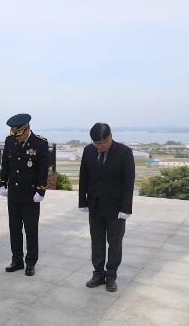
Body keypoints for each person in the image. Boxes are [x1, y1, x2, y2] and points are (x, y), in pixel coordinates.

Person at [79, 123, 135, 292]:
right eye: (96, 143)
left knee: (115, 243)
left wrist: (126, 208)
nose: (100, 146)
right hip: (95, 206)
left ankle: (111, 276)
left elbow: (128, 182)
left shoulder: (124, 152)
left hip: (115, 208)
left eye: (103, 143)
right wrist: (83, 202)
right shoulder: (88, 150)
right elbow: (84, 177)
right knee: (96, 242)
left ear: (110, 137)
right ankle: (98, 273)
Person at [0, 113, 49, 276]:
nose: (17, 138)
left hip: (30, 194)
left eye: (19, 134)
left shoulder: (40, 143)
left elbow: (43, 169)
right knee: (14, 229)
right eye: (15, 135)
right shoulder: (10, 140)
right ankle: (17, 260)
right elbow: (5, 163)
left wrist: (41, 190)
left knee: (31, 230)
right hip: (13, 193)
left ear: (27, 129)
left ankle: (31, 262)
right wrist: (2, 182)